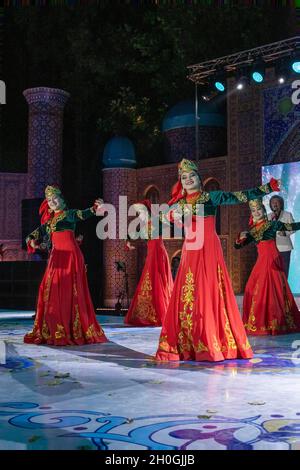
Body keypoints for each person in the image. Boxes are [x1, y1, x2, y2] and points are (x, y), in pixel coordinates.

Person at [155, 158, 280, 362]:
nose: (188, 179)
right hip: (190, 250)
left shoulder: (210, 197)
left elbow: (240, 196)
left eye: (191, 176)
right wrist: (171, 217)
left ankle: (211, 340)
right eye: (184, 177)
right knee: (189, 292)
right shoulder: (179, 203)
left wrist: (267, 188)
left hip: (209, 249)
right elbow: (161, 218)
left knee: (208, 289)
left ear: (199, 178)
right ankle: (189, 341)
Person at [24, 185, 108, 346]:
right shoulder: (49, 223)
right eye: (49, 200)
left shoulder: (69, 214)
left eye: (55, 198)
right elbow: (33, 234)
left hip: (71, 257)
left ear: (62, 200)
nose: (52, 202)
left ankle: (72, 328)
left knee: (71, 290)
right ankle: (55, 326)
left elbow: (83, 214)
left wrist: (96, 207)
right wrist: (32, 242)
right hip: (56, 258)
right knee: (50, 289)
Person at [235, 199, 300, 336]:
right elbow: (238, 246)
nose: (257, 212)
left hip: (272, 259)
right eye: (254, 211)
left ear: (264, 211)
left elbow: (291, 226)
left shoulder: (272, 224)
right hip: (261, 261)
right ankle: (261, 322)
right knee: (251, 288)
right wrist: (239, 238)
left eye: (259, 210)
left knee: (272, 289)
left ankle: (275, 323)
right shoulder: (252, 231)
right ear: (251, 214)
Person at [124, 200, 173, 326]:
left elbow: (170, 220)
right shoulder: (143, 227)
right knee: (150, 280)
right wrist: (128, 243)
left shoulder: (157, 220)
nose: (140, 214)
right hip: (151, 254)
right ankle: (149, 313)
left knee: (157, 280)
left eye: (141, 211)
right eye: (138, 212)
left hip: (159, 253)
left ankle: (161, 313)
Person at [268, 195, 295, 278]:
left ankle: (284, 290)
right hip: (271, 249)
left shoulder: (287, 215)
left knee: (284, 272)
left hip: (284, 248)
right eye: (273, 203)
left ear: (281, 204)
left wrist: (285, 233)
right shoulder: (268, 216)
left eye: (277, 202)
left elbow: (293, 228)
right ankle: (275, 290)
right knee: (273, 274)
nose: (275, 204)